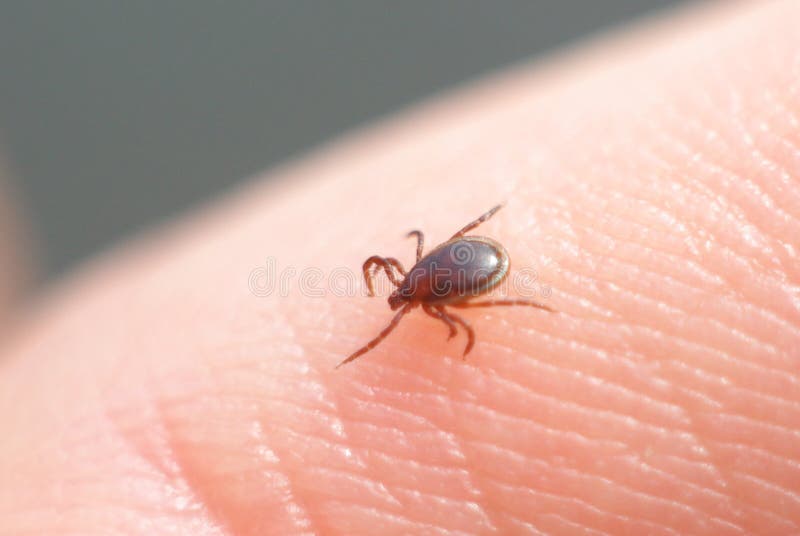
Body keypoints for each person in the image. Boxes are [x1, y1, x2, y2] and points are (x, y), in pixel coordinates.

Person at [0, 1, 797, 534]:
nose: (400, 293)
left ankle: (523, 294)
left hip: (476, 263)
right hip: (473, 258)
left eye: (400, 288)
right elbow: (435, 258)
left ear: (411, 286)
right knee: (471, 288)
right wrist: (437, 286)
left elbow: (441, 284)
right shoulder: (426, 289)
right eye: (401, 290)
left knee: (486, 303)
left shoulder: (427, 300)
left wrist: (448, 312)